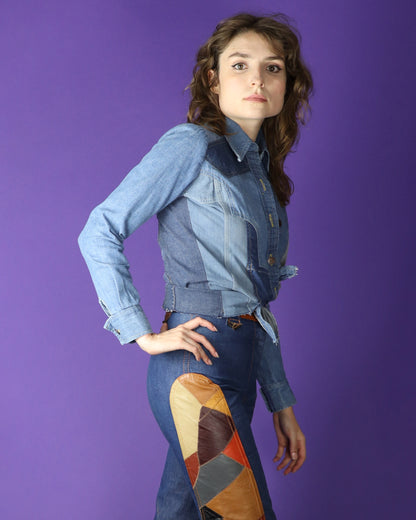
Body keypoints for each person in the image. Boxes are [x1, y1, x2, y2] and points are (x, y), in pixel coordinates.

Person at [78, 12, 313, 520]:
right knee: (243, 513)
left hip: (240, 370)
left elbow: (254, 305)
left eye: (273, 68)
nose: (257, 79)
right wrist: (141, 334)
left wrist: (281, 403)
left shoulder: (262, 175)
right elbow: (100, 229)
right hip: (194, 375)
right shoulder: (190, 146)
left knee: (180, 513)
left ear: (286, 85)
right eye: (240, 65)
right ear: (213, 79)